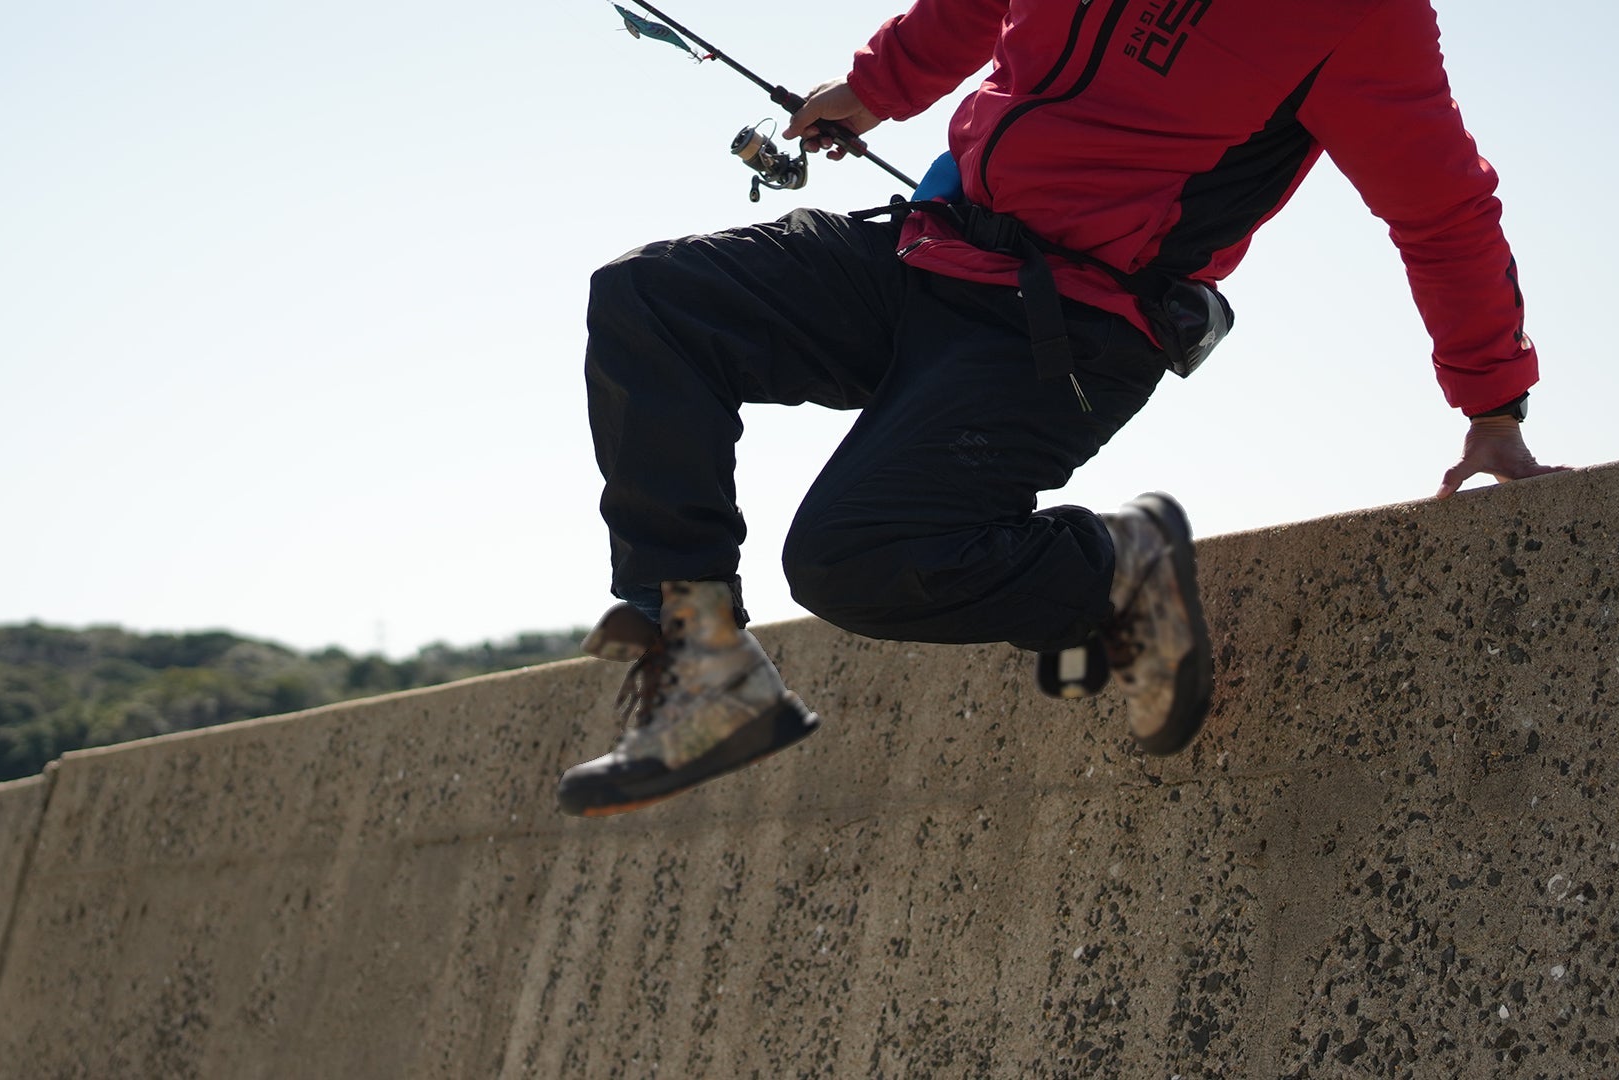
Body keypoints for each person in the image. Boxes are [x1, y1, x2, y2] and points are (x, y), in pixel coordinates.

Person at [554, 0, 1566, 817]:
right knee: (654, 299)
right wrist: (873, 88)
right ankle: (700, 663)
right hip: (933, 248)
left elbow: (1443, 213)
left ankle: (1116, 574)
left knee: (847, 558)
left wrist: (1494, 404)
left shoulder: (1357, 15)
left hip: (1075, 320)